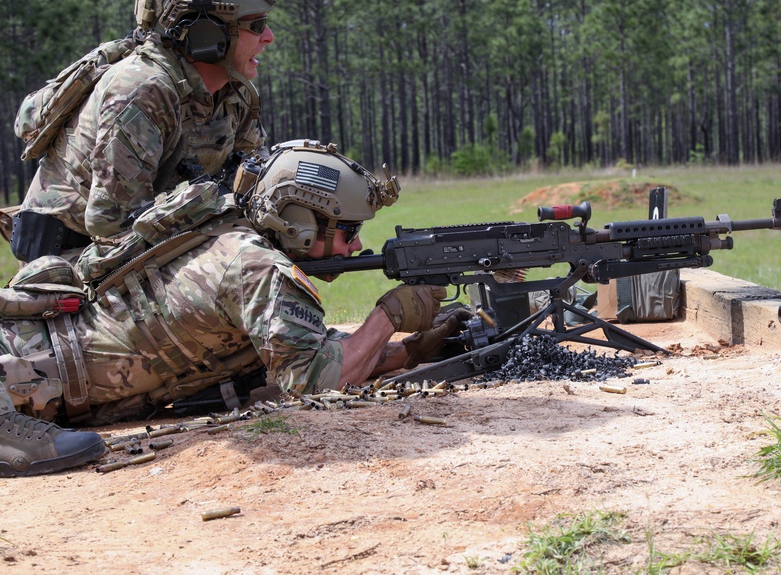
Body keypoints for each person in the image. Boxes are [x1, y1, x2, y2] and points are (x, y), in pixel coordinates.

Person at [0, 142, 466, 477]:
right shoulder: (255, 264)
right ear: (303, 223)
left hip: (53, 383)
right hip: (20, 367)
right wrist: (388, 318)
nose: (356, 245)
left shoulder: (239, 239)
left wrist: (410, 354)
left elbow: (300, 355)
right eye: (347, 231)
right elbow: (316, 383)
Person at [9, 0, 289, 262]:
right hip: (76, 263)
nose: (269, 37)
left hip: (145, 251)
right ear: (207, 33)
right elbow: (112, 224)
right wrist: (215, 207)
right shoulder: (142, 90)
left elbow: (256, 181)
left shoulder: (236, 92)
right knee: (247, 270)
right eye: (256, 25)